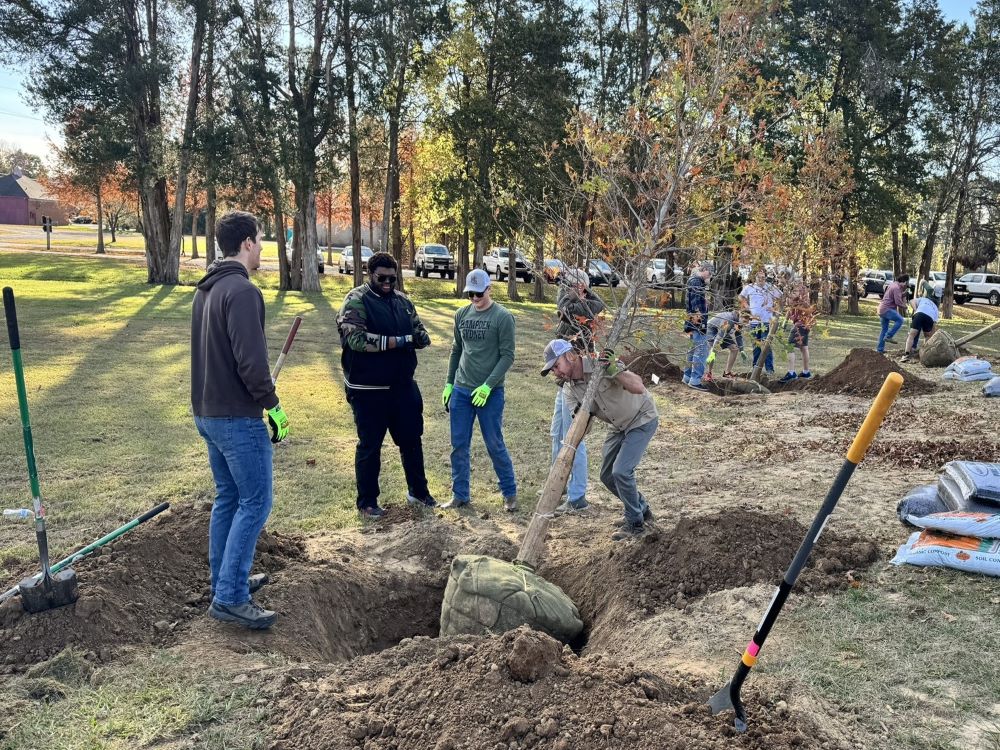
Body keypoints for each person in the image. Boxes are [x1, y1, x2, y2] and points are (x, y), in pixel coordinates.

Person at [191, 210, 288, 630]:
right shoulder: (242, 292)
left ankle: (225, 580)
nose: (262, 248)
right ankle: (230, 597)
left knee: (229, 498)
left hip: (208, 413)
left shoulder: (207, 289)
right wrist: (274, 405)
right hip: (235, 417)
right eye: (261, 240)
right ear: (247, 243)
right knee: (256, 501)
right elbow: (251, 362)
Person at [337, 252, 435, 519]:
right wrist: (399, 340)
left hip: (403, 386)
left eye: (393, 278)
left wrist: (420, 338)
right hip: (368, 390)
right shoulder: (356, 300)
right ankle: (367, 501)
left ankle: (419, 491)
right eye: (382, 278)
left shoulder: (402, 301)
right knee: (370, 445)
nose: (388, 283)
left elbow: (419, 331)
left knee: (412, 440)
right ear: (371, 274)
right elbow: (356, 339)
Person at [542, 340, 659, 541]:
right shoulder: (570, 390)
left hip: (641, 418)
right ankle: (641, 509)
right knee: (607, 476)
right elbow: (584, 430)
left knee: (621, 471)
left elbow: (639, 387)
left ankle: (636, 524)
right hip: (618, 426)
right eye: (552, 369)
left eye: (556, 365)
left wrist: (615, 369)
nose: (556, 372)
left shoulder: (600, 363)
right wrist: (581, 414)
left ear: (570, 356)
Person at [441, 268, 518, 511]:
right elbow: (456, 350)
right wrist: (449, 383)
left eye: (478, 293)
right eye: (470, 294)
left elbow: (507, 357)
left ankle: (509, 493)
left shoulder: (503, 317)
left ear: (489, 289)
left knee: (494, 443)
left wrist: (488, 386)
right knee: (458, 445)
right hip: (462, 391)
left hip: (490, 394)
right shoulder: (461, 315)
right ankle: (460, 495)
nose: (474, 298)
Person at [551, 269, 606, 514]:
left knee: (573, 438)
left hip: (577, 381)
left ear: (581, 288)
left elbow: (563, 307)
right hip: (564, 379)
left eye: (569, 285)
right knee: (557, 433)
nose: (563, 289)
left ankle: (577, 496)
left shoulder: (582, 308)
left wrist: (578, 293)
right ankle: (558, 484)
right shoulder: (578, 301)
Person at [739, 270, 783, 376]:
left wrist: (775, 309)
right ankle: (755, 368)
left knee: (766, 344)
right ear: (755, 278)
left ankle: (769, 369)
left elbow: (781, 297)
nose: (761, 280)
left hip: (766, 321)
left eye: (763, 278)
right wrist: (747, 306)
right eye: (759, 278)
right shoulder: (750, 287)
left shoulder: (770, 287)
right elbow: (741, 297)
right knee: (756, 344)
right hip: (754, 320)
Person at [683, 262, 712, 391]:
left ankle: (687, 376)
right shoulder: (696, 282)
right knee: (701, 350)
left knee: (692, 349)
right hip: (697, 323)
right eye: (710, 273)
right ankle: (695, 380)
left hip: (693, 322)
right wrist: (700, 323)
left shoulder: (695, 281)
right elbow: (695, 304)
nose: (710, 277)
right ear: (704, 269)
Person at [780, 282, 817, 381]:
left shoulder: (801, 301)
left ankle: (791, 372)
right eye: (793, 291)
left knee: (789, 346)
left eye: (795, 291)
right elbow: (789, 310)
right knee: (804, 348)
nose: (792, 293)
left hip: (800, 326)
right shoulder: (795, 300)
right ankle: (806, 372)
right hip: (805, 326)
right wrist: (784, 323)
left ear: (801, 292)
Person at [705, 309, 746, 380]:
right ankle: (708, 373)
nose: (746, 323)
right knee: (713, 351)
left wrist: (742, 350)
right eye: (745, 321)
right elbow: (719, 337)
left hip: (723, 331)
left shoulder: (738, 321)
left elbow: (738, 335)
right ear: (741, 316)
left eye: (748, 321)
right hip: (711, 329)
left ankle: (727, 373)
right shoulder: (729, 320)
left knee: (734, 349)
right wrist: (713, 350)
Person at [876, 274, 909, 353]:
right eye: (906, 283)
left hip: (881, 309)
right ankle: (889, 336)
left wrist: (904, 294)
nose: (906, 285)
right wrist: (905, 307)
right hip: (887, 309)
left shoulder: (893, 285)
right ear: (904, 282)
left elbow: (895, 296)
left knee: (884, 329)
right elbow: (898, 302)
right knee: (900, 320)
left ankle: (880, 350)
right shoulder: (897, 288)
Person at [902, 294, 939, 362]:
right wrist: (931, 336)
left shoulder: (923, 299)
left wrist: (916, 310)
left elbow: (911, 301)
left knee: (911, 335)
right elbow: (934, 325)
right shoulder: (936, 308)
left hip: (919, 315)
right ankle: (924, 354)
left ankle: (906, 354)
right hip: (929, 318)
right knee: (927, 337)